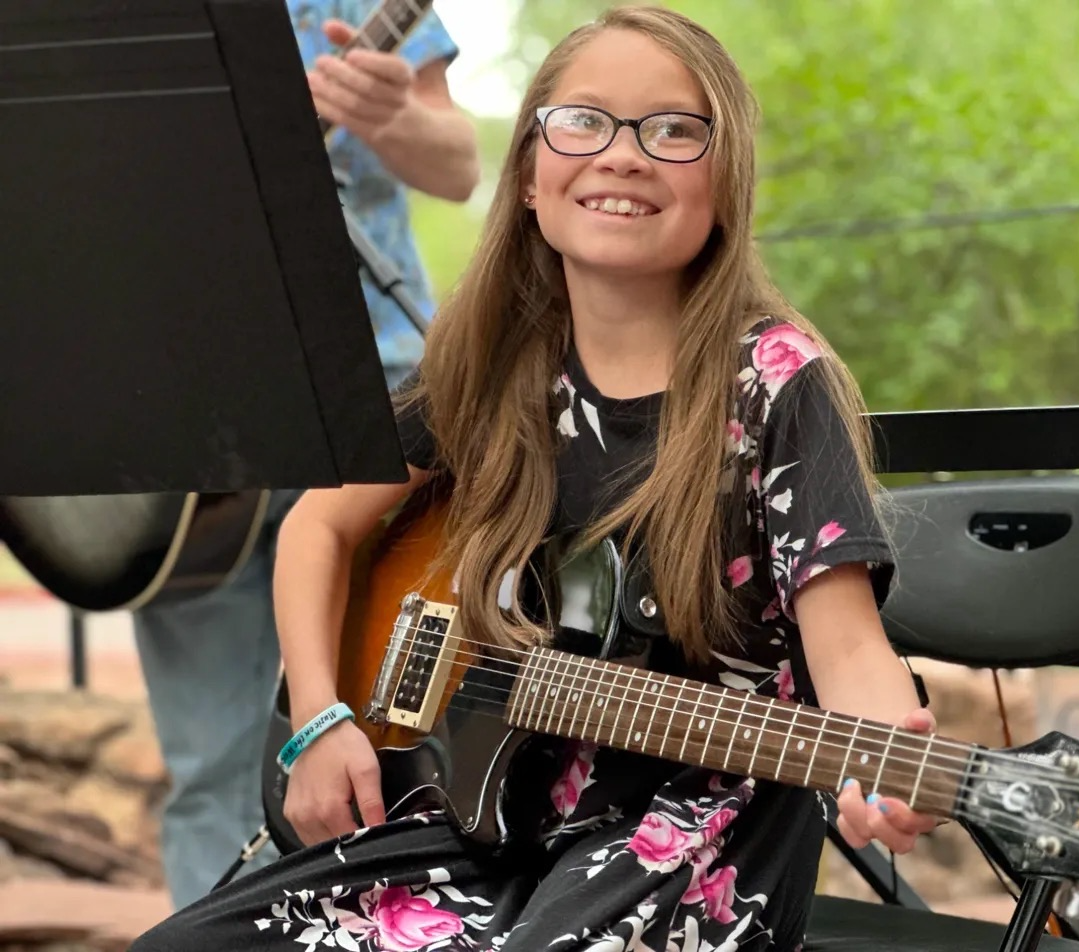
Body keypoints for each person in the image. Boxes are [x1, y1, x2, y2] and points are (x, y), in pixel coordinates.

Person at [130, 6, 936, 949]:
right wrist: (318, 719)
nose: (622, 156)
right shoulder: (495, 363)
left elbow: (845, 650)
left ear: (728, 183)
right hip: (477, 810)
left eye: (675, 130)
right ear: (526, 176)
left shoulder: (777, 381)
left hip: (690, 824)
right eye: (582, 120)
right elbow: (320, 527)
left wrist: (881, 759)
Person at [131, 2, 479, 911]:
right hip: (180, 420)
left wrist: (391, 115)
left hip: (372, 401)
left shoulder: (367, 8)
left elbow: (460, 166)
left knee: (395, 746)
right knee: (209, 760)